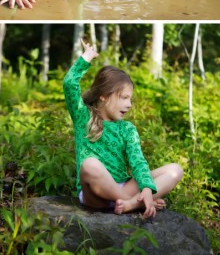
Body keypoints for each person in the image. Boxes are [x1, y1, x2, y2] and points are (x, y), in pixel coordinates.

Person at [64, 40, 183, 217]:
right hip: (95, 195)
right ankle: (137, 203)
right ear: (103, 95)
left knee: (175, 170)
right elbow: (69, 84)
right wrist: (86, 57)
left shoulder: (127, 129)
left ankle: (131, 203)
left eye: (131, 99)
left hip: (125, 186)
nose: (129, 105)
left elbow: (138, 162)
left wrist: (147, 189)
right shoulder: (83, 117)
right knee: (89, 164)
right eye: (124, 98)